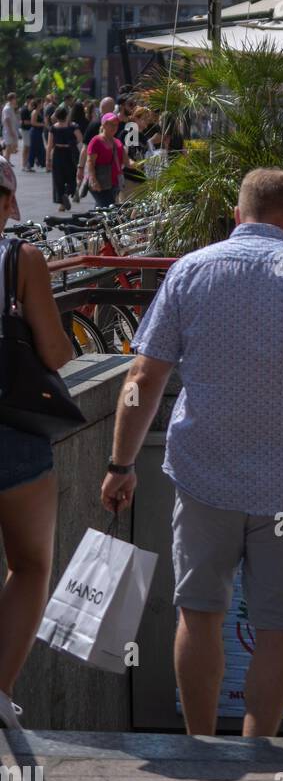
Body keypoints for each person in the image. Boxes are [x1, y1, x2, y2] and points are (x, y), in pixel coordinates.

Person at [100, 168, 283, 738]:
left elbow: (142, 377)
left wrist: (121, 463)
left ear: (237, 213)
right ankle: (258, 752)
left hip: (207, 482)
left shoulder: (190, 271)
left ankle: (202, 745)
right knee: (278, 629)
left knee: (199, 614)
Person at [0, 157, 75, 729]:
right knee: (29, 565)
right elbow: (55, 354)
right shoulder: (20, 259)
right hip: (12, 432)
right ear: (7, 202)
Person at [45, 105, 83, 213]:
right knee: (72, 176)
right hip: (69, 153)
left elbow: (49, 145)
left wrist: (47, 160)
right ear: (66, 115)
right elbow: (80, 139)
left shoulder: (53, 128)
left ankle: (62, 203)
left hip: (57, 153)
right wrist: (73, 143)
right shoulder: (72, 126)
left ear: (56, 116)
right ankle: (67, 193)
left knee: (58, 179)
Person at [85, 112, 127, 210]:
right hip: (100, 182)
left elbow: (126, 162)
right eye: (111, 124)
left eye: (116, 125)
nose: (114, 127)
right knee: (108, 208)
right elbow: (90, 161)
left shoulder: (117, 142)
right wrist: (93, 180)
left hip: (113, 183)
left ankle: (91, 223)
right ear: (104, 124)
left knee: (101, 209)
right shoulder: (96, 141)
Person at [28, 98, 46, 171]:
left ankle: (41, 163)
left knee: (40, 148)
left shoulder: (39, 112)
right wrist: (42, 124)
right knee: (33, 148)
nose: (43, 104)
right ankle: (30, 164)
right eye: (42, 103)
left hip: (38, 132)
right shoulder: (35, 112)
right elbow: (33, 122)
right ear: (38, 104)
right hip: (35, 132)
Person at [1, 94, 19, 159]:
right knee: (9, 147)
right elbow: (7, 119)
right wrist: (11, 130)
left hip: (11, 129)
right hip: (8, 130)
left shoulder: (11, 107)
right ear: (12, 99)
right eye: (15, 98)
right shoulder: (7, 108)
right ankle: (6, 160)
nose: (16, 100)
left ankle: (6, 160)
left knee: (11, 147)